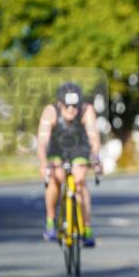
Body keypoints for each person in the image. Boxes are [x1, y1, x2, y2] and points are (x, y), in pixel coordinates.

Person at [37, 82, 101, 246]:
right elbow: (42, 141)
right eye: (67, 105)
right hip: (57, 147)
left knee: (79, 181)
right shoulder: (50, 112)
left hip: (79, 147)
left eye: (75, 105)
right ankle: (51, 222)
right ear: (60, 103)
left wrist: (96, 158)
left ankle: (86, 228)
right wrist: (44, 163)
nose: (72, 109)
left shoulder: (87, 110)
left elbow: (93, 138)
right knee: (55, 177)